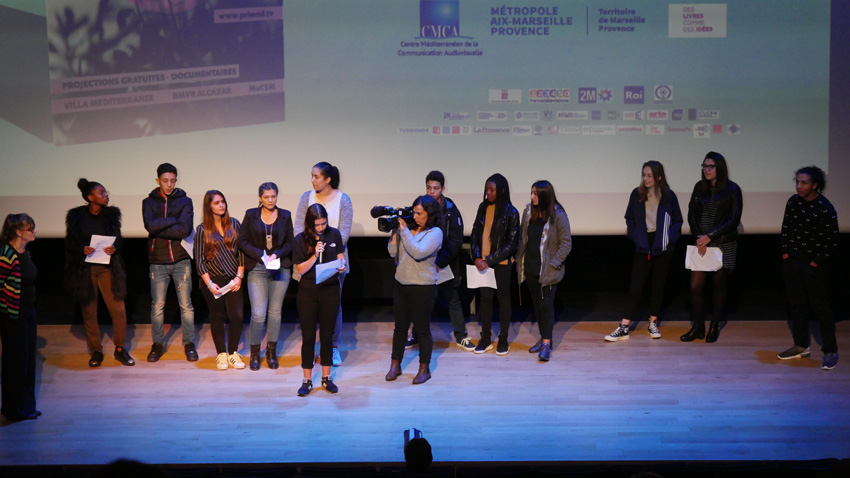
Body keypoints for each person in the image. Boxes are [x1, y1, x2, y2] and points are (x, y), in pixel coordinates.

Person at [605, 161, 682, 342]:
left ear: (659, 177)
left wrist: (668, 239)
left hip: (662, 245)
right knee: (636, 286)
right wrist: (635, 236)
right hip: (643, 244)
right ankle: (624, 326)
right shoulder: (637, 194)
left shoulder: (668, 196)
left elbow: (677, 221)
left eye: (650, 176)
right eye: (644, 175)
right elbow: (629, 218)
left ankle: (653, 323)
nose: (646, 179)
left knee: (658, 285)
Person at [65, 179, 135, 367]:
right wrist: (82, 248)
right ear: (90, 197)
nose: (106, 195)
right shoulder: (76, 216)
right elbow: (70, 242)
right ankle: (96, 350)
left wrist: (114, 247)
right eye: (101, 192)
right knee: (89, 311)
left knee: (118, 310)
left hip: (107, 268)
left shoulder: (111, 215)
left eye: (105, 192)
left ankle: (120, 348)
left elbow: (118, 239)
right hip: (86, 269)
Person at [777, 166, 840, 370]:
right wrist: (786, 254)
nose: (799, 186)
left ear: (815, 185)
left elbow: (833, 240)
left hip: (814, 265)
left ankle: (830, 350)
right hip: (792, 262)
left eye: (803, 182)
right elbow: (786, 229)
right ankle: (801, 345)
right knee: (797, 305)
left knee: (821, 308)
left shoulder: (825, 207)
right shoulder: (793, 202)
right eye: (797, 181)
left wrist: (815, 262)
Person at [406, 171, 475, 351]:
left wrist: (440, 262)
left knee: (452, 299)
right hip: (422, 262)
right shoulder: (421, 206)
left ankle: (461, 336)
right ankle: (415, 335)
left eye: (436, 188)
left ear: (443, 188)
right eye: (429, 188)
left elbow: (455, 241)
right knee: (420, 300)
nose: (432, 191)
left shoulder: (451, 210)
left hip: (443, 264)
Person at [294, 162, 353, 366]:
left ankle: (332, 347)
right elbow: (298, 228)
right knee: (309, 306)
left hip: (334, 259)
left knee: (333, 306)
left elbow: (344, 233)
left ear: (328, 179)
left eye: (317, 176)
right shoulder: (306, 197)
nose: (313, 180)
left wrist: (329, 254)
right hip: (309, 259)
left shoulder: (343, 200)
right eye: (312, 176)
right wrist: (311, 250)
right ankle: (310, 348)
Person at [681, 152, 743, 343]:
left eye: (710, 166)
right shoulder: (699, 187)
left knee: (718, 285)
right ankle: (698, 327)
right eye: (704, 166)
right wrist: (700, 238)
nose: (706, 170)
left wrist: (710, 236)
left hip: (722, 243)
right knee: (695, 286)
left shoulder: (733, 189)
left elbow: (733, 220)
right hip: (702, 242)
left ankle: (714, 325)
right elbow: (692, 214)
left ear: (719, 168)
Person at [385, 195, 444, 385]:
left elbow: (418, 252)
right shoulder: (408, 230)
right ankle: (395, 364)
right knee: (400, 327)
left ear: (430, 214)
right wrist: (395, 232)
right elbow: (393, 253)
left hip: (423, 287)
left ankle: (424, 368)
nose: (415, 217)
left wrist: (404, 231)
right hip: (401, 283)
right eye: (414, 213)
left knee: (422, 329)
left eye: (420, 214)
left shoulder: (435, 233)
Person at [142, 162, 197, 363]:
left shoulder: (185, 201)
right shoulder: (148, 202)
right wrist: (174, 219)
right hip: (158, 261)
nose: (169, 184)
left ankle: (189, 343)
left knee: (186, 305)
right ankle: (157, 343)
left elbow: (185, 229)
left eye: (173, 180)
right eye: (165, 180)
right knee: (157, 306)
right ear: (158, 180)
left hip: (181, 259)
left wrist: (160, 227)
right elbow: (150, 226)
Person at [238, 182, 294, 371]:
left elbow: (290, 242)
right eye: (266, 197)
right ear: (260, 198)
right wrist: (260, 254)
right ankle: (255, 353)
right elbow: (242, 240)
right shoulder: (251, 215)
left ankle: (271, 352)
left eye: (273, 196)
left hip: (280, 268)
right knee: (258, 313)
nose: (270, 200)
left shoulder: (285, 215)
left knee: (275, 312)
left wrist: (277, 254)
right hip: (258, 268)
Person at [291, 204, 345, 396]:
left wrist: (342, 265)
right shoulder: (300, 240)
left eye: (323, 223)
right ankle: (306, 380)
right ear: (309, 223)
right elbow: (301, 269)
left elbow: (340, 257)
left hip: (330, 290)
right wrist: (315, 254)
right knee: (308, 337)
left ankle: (326, 377)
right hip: (308, 292)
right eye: (317, 225)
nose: (321, 228)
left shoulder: (334, 234)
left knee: (327, 336)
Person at [516, 180, 572, 361]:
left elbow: (566, 243)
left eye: (535, 193)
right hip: (531, 267)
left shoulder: (558, 216)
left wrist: (554, 264)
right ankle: (543, 339)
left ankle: (547, 343)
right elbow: (523, 239)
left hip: (548, 270)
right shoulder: (528, 213)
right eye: (531, 192)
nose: (532, 197)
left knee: (546, 305)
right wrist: (518, 258)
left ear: (544, 196)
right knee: (537, 305)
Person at [194, 191, 246, 370]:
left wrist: (239, 276)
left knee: (237, 316)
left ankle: (233, 352)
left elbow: (242, 253)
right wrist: (209, 283)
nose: (221, 205)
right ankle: (221, 354)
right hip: (213, 281)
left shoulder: (235, 224)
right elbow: (199, 260)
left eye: (222, 201)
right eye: (216, 202)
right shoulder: (202, 230)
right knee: (217, 316)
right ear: (209, 206)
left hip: (233, 280)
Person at [469, 173, 520, 355]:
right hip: (482, 263)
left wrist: (489, 260)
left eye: (492, 190)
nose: (488, 193)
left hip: (501, 263)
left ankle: (503, 339)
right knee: (485, 300)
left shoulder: (511, 212)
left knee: (503, 300)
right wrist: (476, 257)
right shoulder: (483, 207)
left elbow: (511, 245)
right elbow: (475, 233)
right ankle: (485, 339)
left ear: (502, 190)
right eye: (487, 190)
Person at [1, 214, 40, 421]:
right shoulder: (7, 254)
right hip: (13, 316)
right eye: (30, 229)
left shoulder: (25, 252)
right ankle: (14, 410)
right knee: (15, 362)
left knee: (27, 361)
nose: (34, 232)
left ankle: (27, 406)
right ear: (18, 232)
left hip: (28, 313)